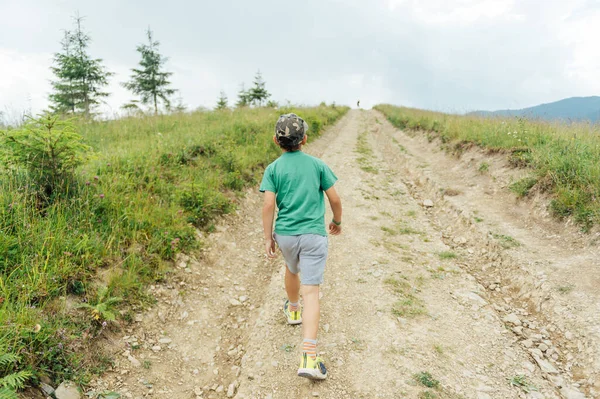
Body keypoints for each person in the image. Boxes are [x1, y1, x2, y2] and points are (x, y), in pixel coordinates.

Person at [260, 113, 343, 380]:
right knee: (313, 292)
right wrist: (337, 221)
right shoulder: (318, 165)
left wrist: (267, 238)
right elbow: (335, 199)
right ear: (304, 139)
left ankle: (292, 309)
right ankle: (309, 355)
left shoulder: (273, 169)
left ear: (276, 141)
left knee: (291, 268)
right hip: (313, 236)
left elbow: (268, 205)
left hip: (285, 235)